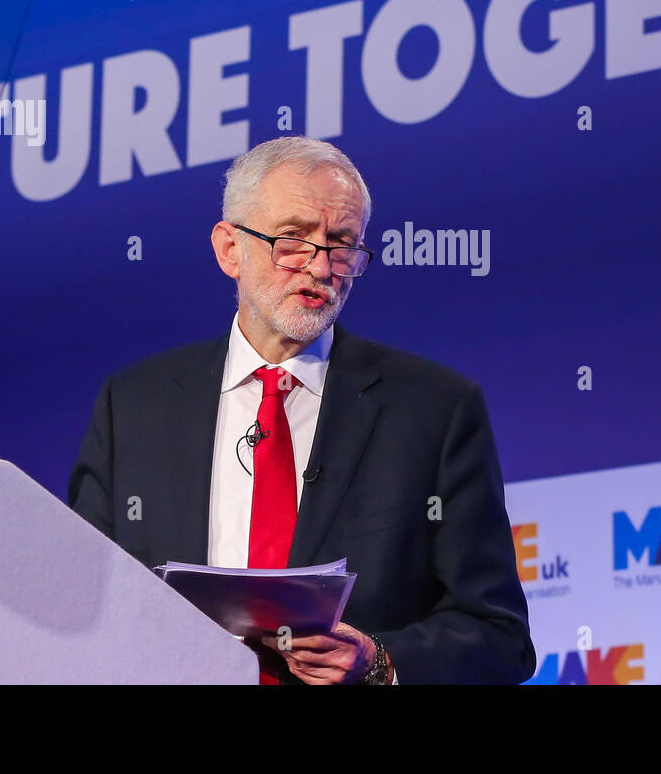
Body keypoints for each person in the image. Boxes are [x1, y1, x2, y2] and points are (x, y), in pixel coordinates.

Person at [68, 135, 534, 685]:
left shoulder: (434, 410)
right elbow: (83, 598)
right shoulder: (134, 406)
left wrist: (379, 663)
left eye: (341, 244)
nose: (320, 266)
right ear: (229, 249)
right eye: (291, 239)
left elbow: (499, 636)